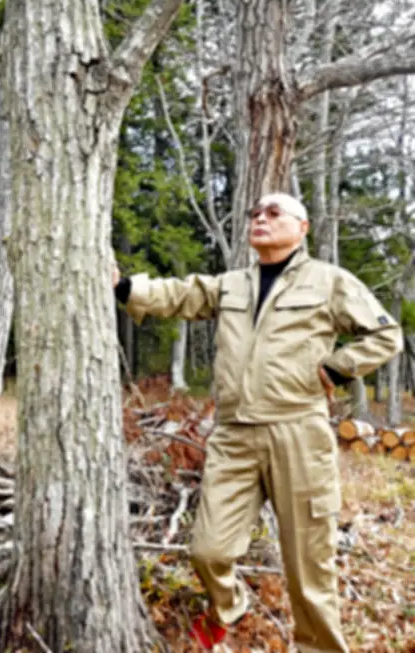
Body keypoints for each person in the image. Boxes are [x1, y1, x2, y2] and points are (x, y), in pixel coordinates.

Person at [112, 192, 403, 652]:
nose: (260, 219)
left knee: (310, 562)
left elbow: (386, 334)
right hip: (234, 434)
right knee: (208, 549)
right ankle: (229, 607)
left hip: (298, 432)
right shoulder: (232, 284)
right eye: (255, 214)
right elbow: (181, 294)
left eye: (273, 213)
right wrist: (125, 288)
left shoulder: (328, 281)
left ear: (302, 227)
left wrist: (338, 366)